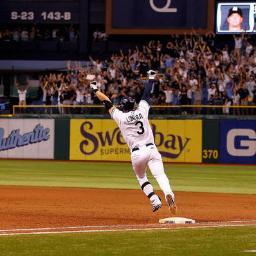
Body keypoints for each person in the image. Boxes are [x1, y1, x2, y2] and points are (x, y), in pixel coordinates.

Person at [89, 70, 177, 214]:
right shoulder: (142, 111)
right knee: (160, 175)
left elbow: (106, 101)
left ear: (123, 108)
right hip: (152, 150)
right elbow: (146, 94)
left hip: (137, 153)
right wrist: (151, 78)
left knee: (141, 177)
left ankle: (154, 199)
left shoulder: (120, 117)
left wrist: (94, 89)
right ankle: (169, 194)